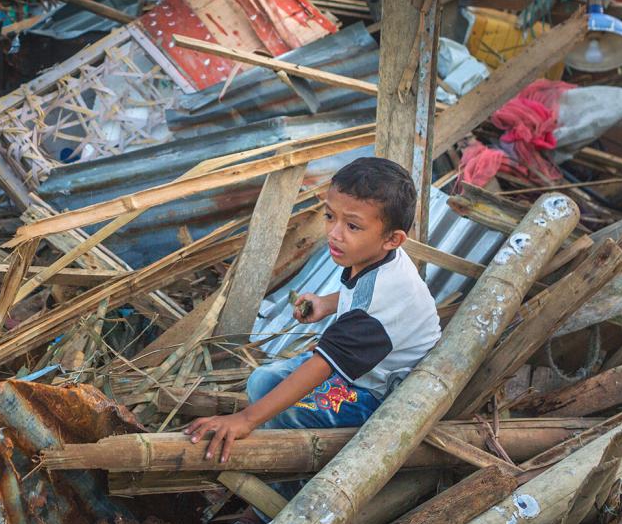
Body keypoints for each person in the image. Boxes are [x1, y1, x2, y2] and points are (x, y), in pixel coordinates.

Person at [183, 156, 442, 464]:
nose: (334, 233)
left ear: (392, 239)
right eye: (330, 216)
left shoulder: (379, 301)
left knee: (287, 413)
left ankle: (284, 491)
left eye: (352, 225)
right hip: (362, 369)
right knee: (261, 382)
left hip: (380, 396)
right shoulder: (377, 259)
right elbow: (357, 297)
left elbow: (324, 364)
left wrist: (246, 419)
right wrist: (326, 304)